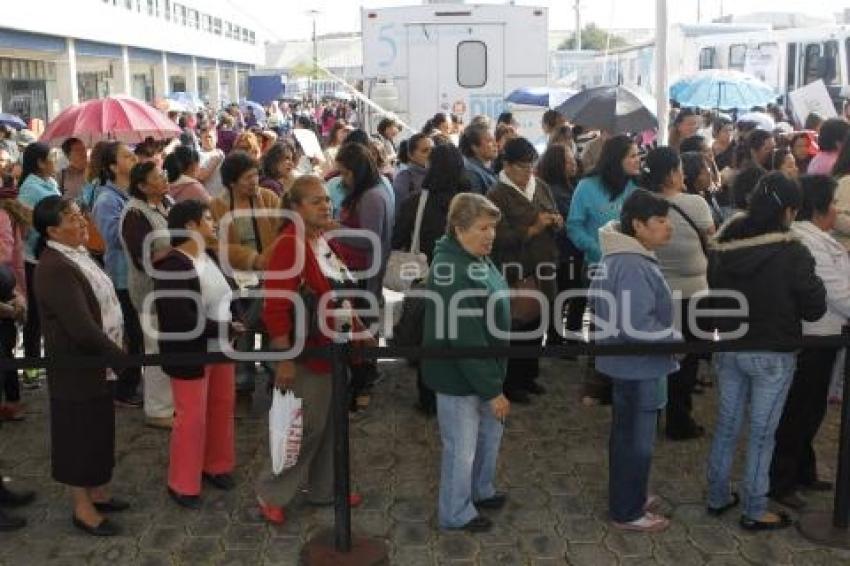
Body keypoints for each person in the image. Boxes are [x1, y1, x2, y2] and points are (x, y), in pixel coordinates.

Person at [706, 172, 827, 531]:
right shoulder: (793, 251)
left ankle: (717, 496)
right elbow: (814, 308)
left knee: (726, 426)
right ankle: (756, 508)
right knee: (761, 434)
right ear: (789, 211)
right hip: (773, 353)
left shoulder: (723, 241)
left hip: (729, 346)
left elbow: (713, 293)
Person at [256, 175, 363, 525]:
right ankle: (271, 492)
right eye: (315, 201)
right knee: (304, 429)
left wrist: (358, 328)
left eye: (325, 199)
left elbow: (338, 292)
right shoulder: (291, 243)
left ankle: (325, 489)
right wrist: (284, 357)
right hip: (307, 353)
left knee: (331, 424)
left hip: (331, 348)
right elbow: (276, 306)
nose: (325, 204)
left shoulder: (318, 240)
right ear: (296, 207)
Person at [33, 196, 129, 537]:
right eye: (72, 219)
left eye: (79, 215)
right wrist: (121, 359)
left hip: (99, 364)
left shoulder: (77, 253)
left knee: (99, 429)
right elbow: (81, 328)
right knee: (77, 434)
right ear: (52, 230)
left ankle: (98, 491)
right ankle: (82, 508)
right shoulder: (54, 266)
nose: (82, 222)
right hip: (78, 368)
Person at [590, 189, 678, 532]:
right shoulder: (630, 263)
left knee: (629, 437)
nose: (668, 227)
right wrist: (677, 339)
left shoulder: (625, 256)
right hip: (638, 365)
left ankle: (631, 495)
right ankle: (627, 511)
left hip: (634, 364)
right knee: (635, 442)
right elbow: (636, 325)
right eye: (660, 221)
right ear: (637, 226)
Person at [422, 192, 510, 532]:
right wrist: (492, 390)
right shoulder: (451, 270)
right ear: (459, 229)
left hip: (485, 369)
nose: (491, 235)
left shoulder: (474, 256)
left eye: (493, 228)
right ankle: (455, 512)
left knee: (487, 437)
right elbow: (465, 340)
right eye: (482, 228)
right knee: (461, 448)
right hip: (460, 377)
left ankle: (480, 490)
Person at [154, 200, 241, 509]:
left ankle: (216, 465)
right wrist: (226, 327)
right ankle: (183, 482)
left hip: (220, 348)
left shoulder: (209, 255)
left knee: (221, 407)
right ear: (190, 226)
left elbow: (228, 293)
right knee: (191, 418)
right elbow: (181, 318)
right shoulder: (172, 265)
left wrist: (236, 319)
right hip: (192, 352)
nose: (213, 223)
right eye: (207, 218)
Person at [769, 175, 850, 509]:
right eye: (833, 203)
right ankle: (782, 481)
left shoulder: (818, 237)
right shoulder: (809, 243)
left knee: (811, 408)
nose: (838, 210)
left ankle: (803, 470)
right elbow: (839, 294)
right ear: (819, 208)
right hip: (814, 338)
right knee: (799, 410)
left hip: (827, 336)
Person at [393, 143, 470, 414]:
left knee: (429, 342)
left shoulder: (415, 203)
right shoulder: (471, 203)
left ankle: (428, 400)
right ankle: (459, 395)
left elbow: (398, 239)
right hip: (465, 282)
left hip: (426, 282)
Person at [643, 147, 715, 440]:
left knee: (659, 356)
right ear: (672, 173)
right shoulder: (695, 204)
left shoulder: (642, 204)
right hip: (694, 294)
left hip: (656, 293)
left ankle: (653, 411)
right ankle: (679, 418)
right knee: (687, 362)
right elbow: (712, 239)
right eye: (680, 168)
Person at [487, 137, 561, 404]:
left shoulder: (540, 185)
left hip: (545, 267)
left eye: (531, 165)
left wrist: (555, 220)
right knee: (517, 327)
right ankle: (512, 382)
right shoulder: (496, 194)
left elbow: (554, 210)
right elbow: (497, 237)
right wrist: (532, 229)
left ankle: (530, 375)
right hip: (516, 271)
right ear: (506, 165)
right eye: (521, 166)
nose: (527, 171)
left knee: (538, 324)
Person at [210, 151, 281, 393]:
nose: (254, 181)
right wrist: (252, 259)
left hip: (270, 275)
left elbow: (283, 234)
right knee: (243, 327)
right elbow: (217, 245)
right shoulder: (218, 205)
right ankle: (244, 380)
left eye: (256, 175)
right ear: (232, 182)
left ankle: (272, 373)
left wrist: (265, 260)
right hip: (235, 278)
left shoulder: (269, 198)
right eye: (247, 177)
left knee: (271, 322)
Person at [120, 162, 174, 429]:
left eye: (163, 174)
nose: (164, 179)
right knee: (156, 348)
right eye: (157, 177)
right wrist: (180, 245)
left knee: (171, 345)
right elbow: (144, 259)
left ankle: (171, 403)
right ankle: (158, 409)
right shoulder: (134, 214)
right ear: (142, 186)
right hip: (150, 292)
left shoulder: (167, 203)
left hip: (174, 290)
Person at [92, 141, 143, 407]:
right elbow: (110, 237)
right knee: (131, 334)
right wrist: (136, 223)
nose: (133, 159)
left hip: (138, 274)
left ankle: (132, 382)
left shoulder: (131, 195)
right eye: (127, 156)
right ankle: (124, 388)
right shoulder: (107, 199)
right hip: (122, 276)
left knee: (138, 333)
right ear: (113, 166)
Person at [17, 142, 61, 387]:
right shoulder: (30, 188)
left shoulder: (50, 183)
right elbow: (26, 225)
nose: (56, 161)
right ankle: (31, 368)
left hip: (50, 253)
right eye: (52, 157)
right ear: (40, 163)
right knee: (35, 314)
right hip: (35, 257)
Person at [536, 142, 584, 347]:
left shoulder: (570, 185)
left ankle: (561, 336)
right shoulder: (554, 191)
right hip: (562, 253)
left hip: (568, 252)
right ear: (558, 164)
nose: (573, 162)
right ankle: (556, 339)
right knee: (562, 296)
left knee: (565, 295)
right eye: (568, 160)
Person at [0, 178, 28, 421]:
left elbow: (6, 255)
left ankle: (12, 401)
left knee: (5, 349)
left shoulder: (2, 216)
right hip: (10, 286)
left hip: (7, 289)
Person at [391, 133, 432, 214]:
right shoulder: (404, 178)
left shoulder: (438, 173)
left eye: (432, 150)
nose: (430, 154)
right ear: (411, 155)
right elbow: (400, 212)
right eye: (425, 151)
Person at [460, 124, 498, 195]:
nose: (495, 144)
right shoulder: (472, 174)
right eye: (489, 141)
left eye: (494, 140)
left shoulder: (486, 167)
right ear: (474, 147)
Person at [197, 125, 225, 198]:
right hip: (203, 197)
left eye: (210, 137)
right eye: (205, 137)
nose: (208, 139)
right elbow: (201, 176)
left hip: (218, 196)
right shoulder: (196, 153)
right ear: (201, 139)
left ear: (216, 139)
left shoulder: (219, 153)